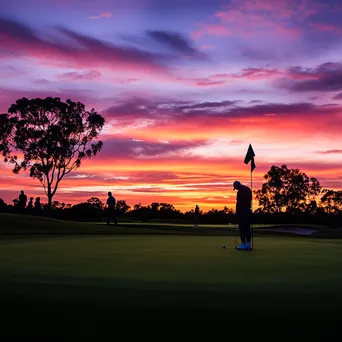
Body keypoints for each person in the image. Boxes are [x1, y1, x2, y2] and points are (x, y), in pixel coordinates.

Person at [233, 180, 252, 250]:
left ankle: (243, 244)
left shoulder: (240, 192)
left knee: (242, 228)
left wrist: (236, 212)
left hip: (242, 211)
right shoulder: (248, 189)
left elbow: (238, 203)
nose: (236, 189)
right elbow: (250, 200)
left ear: (237, 186)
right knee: (247, 228)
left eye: (236, 188)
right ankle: (248, 244)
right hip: (248, 210)